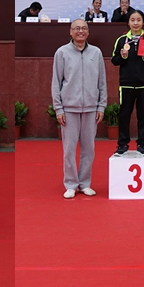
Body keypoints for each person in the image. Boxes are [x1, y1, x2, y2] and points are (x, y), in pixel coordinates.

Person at [52, 18, 106, 199]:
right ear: (71, 31)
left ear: (88, 31)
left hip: (91, 109)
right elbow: (56, 83)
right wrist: (59, 109)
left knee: (89, 149)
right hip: (69, 109)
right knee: (69, 150)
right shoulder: (62, 52)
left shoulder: (96, 53)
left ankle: (84, 183)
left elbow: (102, 82)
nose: (80, 31)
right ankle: (70, 184)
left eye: (84, 28)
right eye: (77, 28)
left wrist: (101, 106)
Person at [111, 10, 144, 156]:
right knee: (124, 115)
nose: (135, 23)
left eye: (138, 20)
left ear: (143, 22)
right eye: (132, 20)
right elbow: (114, 60)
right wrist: (122, 57)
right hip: (126, 84)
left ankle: (142, 145)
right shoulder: (121, 40)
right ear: (128, 22)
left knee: (143, 116)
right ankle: (122, 145)